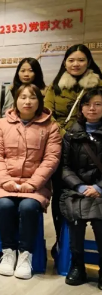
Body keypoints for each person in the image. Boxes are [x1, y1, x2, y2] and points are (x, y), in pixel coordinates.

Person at [0, 84, 61, 280]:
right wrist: (5, 180)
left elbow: (51, 159)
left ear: (39, 101)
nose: (27, 102)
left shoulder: (51, 127)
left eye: (32, 97)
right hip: (5, 183)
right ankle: (8, 251)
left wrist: (33, 183)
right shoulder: (1, 124)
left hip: (36, 185)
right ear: (16, 100)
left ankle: (25, 254)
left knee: (28, 207)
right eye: (23, 97)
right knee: (5, 205)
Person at [44, 44, 102, 255]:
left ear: (89, 62)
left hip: (92, 144)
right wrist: (66, 135)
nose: (75, 64)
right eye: (71, 60)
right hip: (61, 144)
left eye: (81, 60)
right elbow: (47, 113)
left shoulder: (98, 85)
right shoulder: (56, 86)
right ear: (64, 62)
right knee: (62, 194)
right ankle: (62, 241)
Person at [59, 87, 102, 290]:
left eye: (98, 104)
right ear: (81, 108)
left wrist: (99, 188)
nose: (92, 108)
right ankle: (77, 265)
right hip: (77, 189)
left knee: (100, 221)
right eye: (87, 104)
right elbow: (64, 166)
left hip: (100, 191)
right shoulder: (71, 134)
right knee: (75, 220)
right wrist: (79, 185)